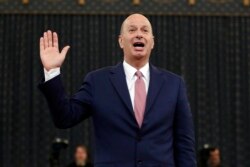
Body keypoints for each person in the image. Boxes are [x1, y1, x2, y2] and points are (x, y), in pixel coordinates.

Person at [38, 13, 196, 167]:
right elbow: (65, 118)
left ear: (152, 42)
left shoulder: (174, 84)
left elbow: (185, 143)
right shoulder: (97, 81)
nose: (139, 34)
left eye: (145, 30)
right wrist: (52, 72)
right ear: (121, 41)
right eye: (132, 30)